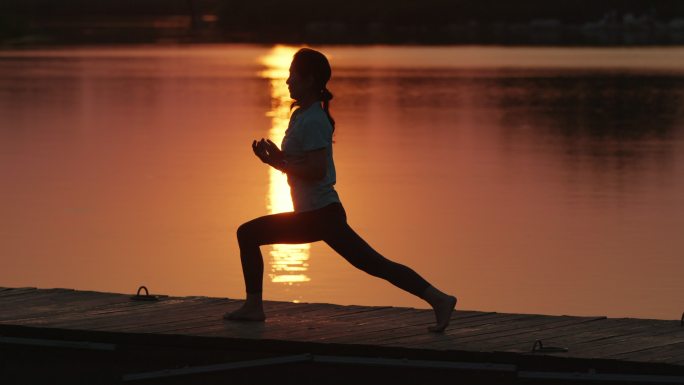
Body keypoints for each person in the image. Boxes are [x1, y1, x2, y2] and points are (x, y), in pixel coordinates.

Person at [224, 48, 457, 332]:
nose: (287, 81)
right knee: (375, 264)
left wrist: (279, 161)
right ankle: (439, 299)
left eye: (292, 75)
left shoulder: (313, 120)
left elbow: (317, 171)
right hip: (316, 214)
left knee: (248, 234)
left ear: (309, 80)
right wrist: (274, 161)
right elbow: (301, 166)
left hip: (321, 215)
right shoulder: (301, 115)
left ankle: (253, 307)